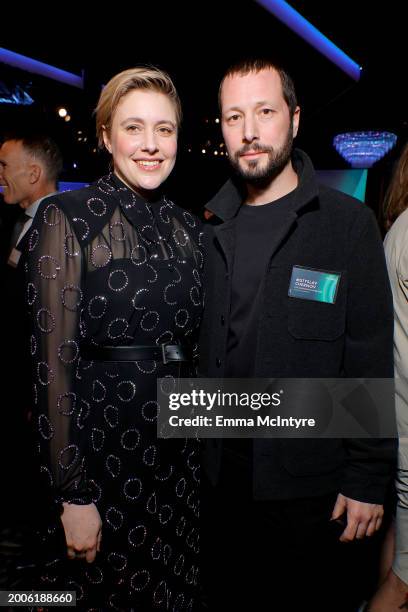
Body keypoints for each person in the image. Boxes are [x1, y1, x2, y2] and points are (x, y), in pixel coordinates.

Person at [199, 58, 396, 611]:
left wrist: (366, 478)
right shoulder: (211, 227)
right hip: (222, 486)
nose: (250, 131)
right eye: (234, 117)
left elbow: (368, 352)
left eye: (265, 111)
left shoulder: (347, 224)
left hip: (312, 491)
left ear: (295, 118)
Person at [22, 67, 203, 610]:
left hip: (181, 459)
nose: (151, 145)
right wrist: (72, 493)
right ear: (105, 136)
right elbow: (51, 369)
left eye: (164, 130)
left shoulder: (190, 228)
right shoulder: (67, 218)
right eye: (134, 128)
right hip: (104, 456)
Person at [0, 134, 62, 587]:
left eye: (5, 165)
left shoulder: (60, 229)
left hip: (41, 391)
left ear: (33, 173)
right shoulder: (19, 222)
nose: (0, 175)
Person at [368, 142, 408, 611]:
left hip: (392, 416)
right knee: (403, 583)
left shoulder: (398, 225)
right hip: (402, 417)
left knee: (398, 540)